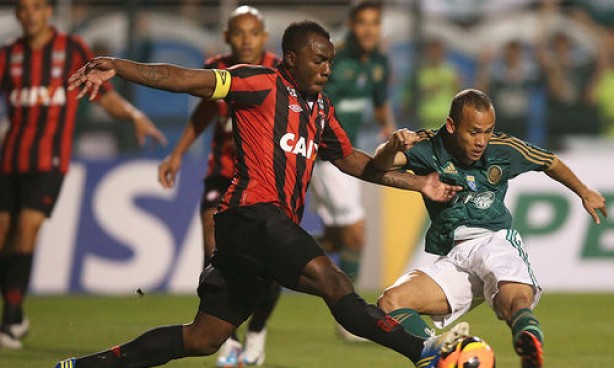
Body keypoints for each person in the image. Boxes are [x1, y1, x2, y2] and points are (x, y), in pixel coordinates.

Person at [57, 20, 470, 368]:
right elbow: (185, 80)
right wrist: (119, 67)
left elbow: (353, 162)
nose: (327, 68)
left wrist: (418, 183)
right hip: (250, 214)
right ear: (290, 59)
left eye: (330, 60)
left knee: (205, 338)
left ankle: (83, 365)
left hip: (260, 229)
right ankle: (426, 353)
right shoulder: (257, 82)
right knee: (333, 281)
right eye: (318, 59)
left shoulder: (321, 109)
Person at [373, 89, 608, 368]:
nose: (481, 141)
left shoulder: (504, 149)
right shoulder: (427, 145)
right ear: (451, 125)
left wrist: (583, 191)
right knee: (391, 302)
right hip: (455, 256)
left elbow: (549, 161)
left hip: (494, 239)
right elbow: (380, 164)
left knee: (512, 300)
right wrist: (392, 145)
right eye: (474, 132)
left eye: (487, 131)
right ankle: (436, 351)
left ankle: (527, 338)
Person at [0, 0, 166, 350]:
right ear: (18, 15)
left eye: (36, 8)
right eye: (23, 9)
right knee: (3, 236)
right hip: (9, 159)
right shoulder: (8, 55)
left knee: (26, 229)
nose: (30, 15)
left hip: (49, 160)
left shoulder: (72, 49)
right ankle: (15, 313)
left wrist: (134, 115)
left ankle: (11, 316)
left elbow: (102, 96)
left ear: (48, 12)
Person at [157, 6, 281, 367]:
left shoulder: (279, 71)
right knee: (212, 248)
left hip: (264, 179)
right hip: (223, 174)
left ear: (264, 36)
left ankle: (257, 329)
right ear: (227, 37)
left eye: (253, 32)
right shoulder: (218, 69)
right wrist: (177, 153)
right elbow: (204, 114)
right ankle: (228, 339)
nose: (246, 39)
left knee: (270, 263)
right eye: (238, 33)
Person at [308, 1, 395, 340]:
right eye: (363, 23)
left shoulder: (379, 62)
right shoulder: (335, 62)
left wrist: (389, 127)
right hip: (326, 159)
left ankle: (270, 260)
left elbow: (379, 100)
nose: (369, 30)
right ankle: (352, 320)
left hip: (347, 157)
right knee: (356, 235)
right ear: (352, 25)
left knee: (336, 239)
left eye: (375, 23)